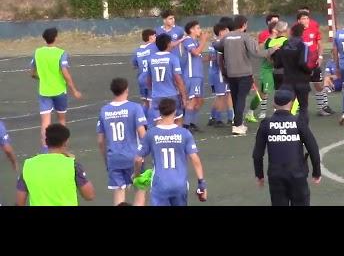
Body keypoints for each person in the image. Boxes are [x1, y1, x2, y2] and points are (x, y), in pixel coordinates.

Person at [252, 88, 321, 206]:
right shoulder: (298, 121)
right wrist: (316, 172)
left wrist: (259, 175)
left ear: (274, 103)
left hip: (276, 174)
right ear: (292, 103)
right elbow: (313, 148)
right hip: (297, 173)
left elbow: (257, 154)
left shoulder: (266, 124)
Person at [134, 98, 207, 206]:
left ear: (159, 112)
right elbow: (195, 159)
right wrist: (202, 184)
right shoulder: (184, 133)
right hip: (180, 184)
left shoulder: (151, 134)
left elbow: (138, 159)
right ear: (175, 112)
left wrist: (136, 175)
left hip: (160, 184)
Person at [215, 15, 280, 136]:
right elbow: (257, 53)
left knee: (235, 98)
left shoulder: (227, 37)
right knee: (241, 98)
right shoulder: (245, 37)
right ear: (244, 24)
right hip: (244, 73)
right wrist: (272, 49)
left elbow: (217, 46)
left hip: (231, 73)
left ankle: (237, 122)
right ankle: (238, 125)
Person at [96, 77, 148, 206]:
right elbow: (143, 134)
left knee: (119, 192)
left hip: (114, 158)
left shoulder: (104, 110)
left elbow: (101, 141)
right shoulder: (135, 108)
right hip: (133, 156)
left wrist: (106, 160)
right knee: (140, 189)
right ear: (126, 90)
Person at [16, 124, 95, 206]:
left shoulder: (29, 165)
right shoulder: (72, 165)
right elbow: (89, 195)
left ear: (46, 141)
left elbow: (20, 202)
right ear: (66, 142)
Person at [31, 27, 82, 150]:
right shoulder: (61, 53)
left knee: (45, 123)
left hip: (44, 91)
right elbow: (65, 73)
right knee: (62, 120)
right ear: (56, 38)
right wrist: (74, 90)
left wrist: (42, 77)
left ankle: (45, 149)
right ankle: (63, 148)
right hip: (59, 91)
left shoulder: (37, 52)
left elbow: (32, 73)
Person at [272, 23, 315, 127]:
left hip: (287, 81)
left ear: (291, 32)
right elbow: (302, 62)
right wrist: (310, 71)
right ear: (302, 33)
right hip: (301, 81)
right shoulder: (303, 46)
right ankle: (303, 129)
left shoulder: (284, 46)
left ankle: (283, 127)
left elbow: (277, 64)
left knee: (284, 106)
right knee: (303, 107)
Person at [147, 33, 188, 125]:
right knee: (178, 119)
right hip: (171, 94)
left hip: (156, 95)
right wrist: (184, 97)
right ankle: (177, 138)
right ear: (169, 44)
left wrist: (152, 92)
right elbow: (178, 79)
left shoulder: (151, 59)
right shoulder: (173, 58)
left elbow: (148, 80)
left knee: (158, 121)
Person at [298, 8, 333, 116]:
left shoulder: (314, 29)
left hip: (314, 63)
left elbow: (320, 44)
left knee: (318, 85)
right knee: (301, 87)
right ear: (299, 21)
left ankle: (323, 107)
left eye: (307, 18)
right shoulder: (296, 32)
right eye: (303, 18)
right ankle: (300, 109)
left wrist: (320, 56)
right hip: (302, 65)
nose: (306, 20)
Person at [181, 20, 210, 132]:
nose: (200, 30)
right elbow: (195, 53)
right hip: (192, 75)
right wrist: (203, 40)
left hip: (198, 75)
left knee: (200, 101)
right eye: (198, 28)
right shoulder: (188, 40)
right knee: (193, 100)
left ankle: (191, 122)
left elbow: (198, 57)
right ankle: (186, 125)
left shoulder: (195, 41)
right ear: (191, 30)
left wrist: (208, 58)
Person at [207, 22, 234, 127]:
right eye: (226, 30)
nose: (228, 32)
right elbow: (218, 60)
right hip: (219, 73)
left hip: (217, 73)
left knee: (227, 94)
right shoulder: (219, 43)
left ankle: (227, 117)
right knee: (221, 96)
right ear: (221, 32)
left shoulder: (216, 43)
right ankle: (218, 119)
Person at [131, 29, 158, 111]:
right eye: (155, 36)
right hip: (150, 79)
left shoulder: (137, 50)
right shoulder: (154, 47)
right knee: (152, 103)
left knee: (145, 102)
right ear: (151, 37)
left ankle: (144, 120)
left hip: (141, 79)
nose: (156, 37)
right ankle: (151, 122)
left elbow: (134, 65)